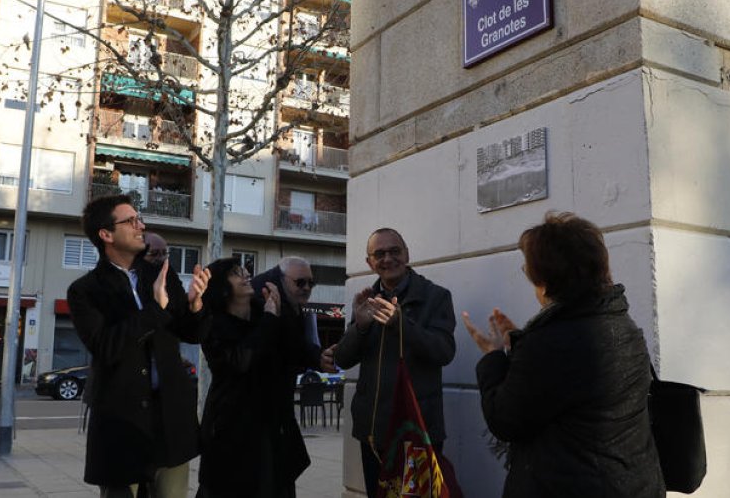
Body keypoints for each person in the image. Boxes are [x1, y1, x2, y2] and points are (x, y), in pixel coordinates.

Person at [462, 211, 664, 497]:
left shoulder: (551, 343)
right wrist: (520, 345)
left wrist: (494, 356)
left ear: (547, 278)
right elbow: (568, 386)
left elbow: (505, 419)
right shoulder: (619, 321)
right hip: (634, 482)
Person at [68, 195, 211, 498]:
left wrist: (196, 304)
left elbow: (190, 332)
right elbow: (105, 347)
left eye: (139, 218)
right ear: (106, 235)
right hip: (121, 424)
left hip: (170, 420)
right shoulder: (85, 291)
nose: (141, 226)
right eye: (130, 221)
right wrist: (155, 310)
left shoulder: (160, 274)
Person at [332, 228, 456, 498]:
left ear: (407, 254)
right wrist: (360, 327)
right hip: (374, 435)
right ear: (369, 263)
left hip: (416, 431)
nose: (387, 259)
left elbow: (444, 351)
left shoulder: (435, 296)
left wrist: (402, 324)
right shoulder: (367, 300)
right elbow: (342, 358)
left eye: (394, 251)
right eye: (379, 254)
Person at [197, 257, 308, 498]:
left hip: (270, 430)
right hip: (231, 432)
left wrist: (324, 357)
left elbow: (294, 350)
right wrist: (270, 318)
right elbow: (241, 361)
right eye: (237, 273)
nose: (247, 275)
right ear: (222, 287)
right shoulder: (214, 324)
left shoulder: (264, 311)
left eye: (246, 270)